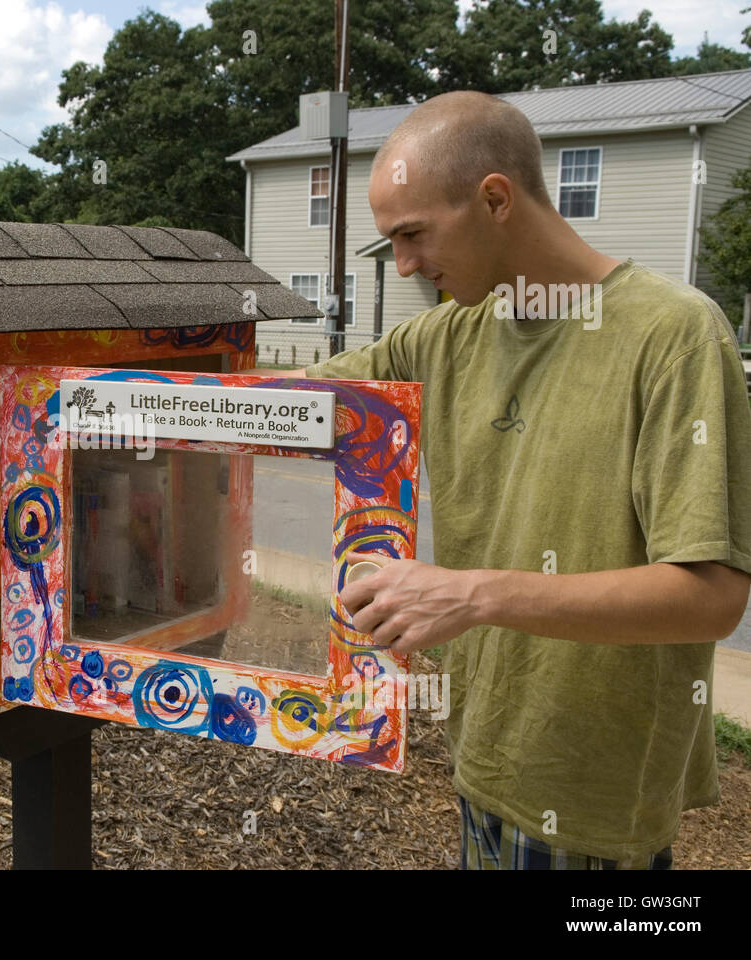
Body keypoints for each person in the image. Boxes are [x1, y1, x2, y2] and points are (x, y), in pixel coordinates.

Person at [268, 90, 751, 869]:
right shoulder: (446, 335)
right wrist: (111, 402)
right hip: (484, 759)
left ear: (495, 198)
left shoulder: (673, 335)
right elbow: (296, 406)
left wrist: (470, 594)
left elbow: (712, 598)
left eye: (413, 234)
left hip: (593, 800)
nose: (405, 265)